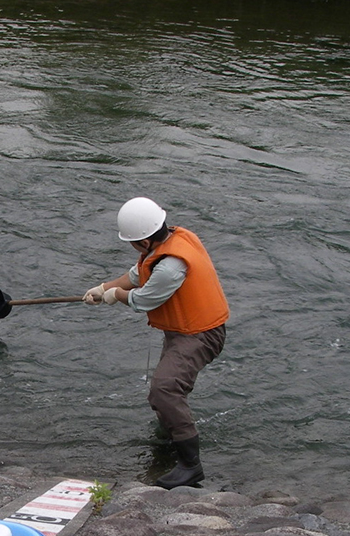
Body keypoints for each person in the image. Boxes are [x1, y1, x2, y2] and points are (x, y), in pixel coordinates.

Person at [83, 197, 229, 489]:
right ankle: (170, 438)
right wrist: (104, 288)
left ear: (144, 242)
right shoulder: (168, 242)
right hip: (183, 330)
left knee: (165, 388)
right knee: (163, 393)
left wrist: (116, 297)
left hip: (200, 334)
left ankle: (191, 465)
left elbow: (143, 298)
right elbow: (137, 275)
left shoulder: (171, 266)